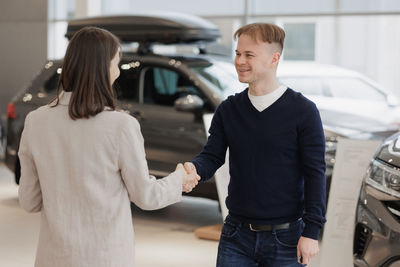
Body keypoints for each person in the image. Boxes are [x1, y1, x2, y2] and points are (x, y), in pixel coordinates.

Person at [18, 26, 199, 267]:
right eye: (116, 64)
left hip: (54, 258)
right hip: (105, 258)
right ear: (102, 69)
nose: (118, 72)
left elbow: (29, 202)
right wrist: (179, 178)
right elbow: (146, 196)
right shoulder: (121, 125)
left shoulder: (36, 121)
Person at [184, 23, 326, 266]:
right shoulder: (228, 109)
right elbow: (212, 156)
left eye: (249, 55)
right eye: (238, 53)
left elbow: (315, 173)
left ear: (274, 58)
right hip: (235, 235)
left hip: (287, 237)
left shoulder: (303, 111)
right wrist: (192, 168)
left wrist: (312, 232)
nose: (240, 61)